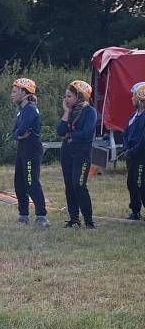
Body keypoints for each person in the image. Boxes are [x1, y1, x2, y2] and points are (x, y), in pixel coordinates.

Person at [57, 80, 97, 229]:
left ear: (79, 97)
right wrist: (66, 112)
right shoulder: (70, 111)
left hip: (82, 155)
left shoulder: (90, 112)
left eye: (69, 96)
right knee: (69, 186)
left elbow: (86, 133)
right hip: (67, 153)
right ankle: (74, 219)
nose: (65, 99)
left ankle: (89, 221)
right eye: (66, 96)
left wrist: (71, 134)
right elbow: (60, 131)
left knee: (79, 185)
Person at [10, 78, 49, 227]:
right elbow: (15, 132)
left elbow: (21, 129)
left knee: (31, 182)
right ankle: (23, 215)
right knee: (19, 183)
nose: (11, 95)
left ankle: (41, 216)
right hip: (22, 149)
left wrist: (19, 134)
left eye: (14, 92)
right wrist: (19, 135)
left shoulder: (31, 109)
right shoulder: (22, 111)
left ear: (24, 92)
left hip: (31, 150)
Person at [122, 82, 145, 220]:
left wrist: (133, 151)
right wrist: (126, 148)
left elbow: (143, 139)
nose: (131, 98)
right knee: (132, 183)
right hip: (131, 156)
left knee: (141, 183)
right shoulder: (133, 116)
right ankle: (135, 211)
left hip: (141, 156)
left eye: (133, 96)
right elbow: (126, 133)